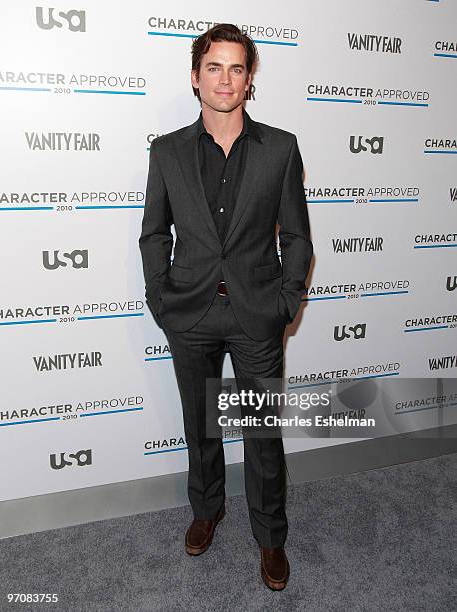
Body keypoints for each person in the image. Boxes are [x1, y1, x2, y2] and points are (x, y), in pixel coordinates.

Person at [139, 23, 313, 591]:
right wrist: (160, 299)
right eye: (214, 67)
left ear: (249, 79)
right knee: (201, 425)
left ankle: (271, 538)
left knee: (262, 433)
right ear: (195, 77)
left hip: (256, 313)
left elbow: (298, 237)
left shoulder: (281, 148)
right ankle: (207, 508)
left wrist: (284, 303)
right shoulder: (165, 151)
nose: (225, 79)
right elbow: (153, 234)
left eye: (236, 68)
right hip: (189, 312)